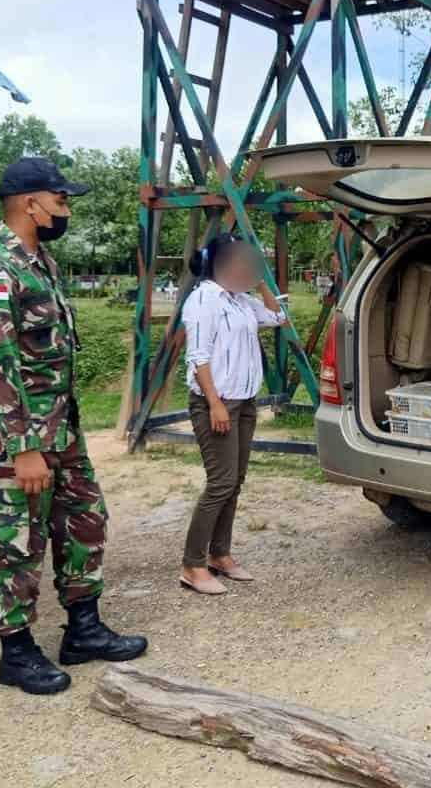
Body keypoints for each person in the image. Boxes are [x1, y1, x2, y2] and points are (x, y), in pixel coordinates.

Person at [0, 157, 147, 696]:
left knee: (85, 518)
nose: (65, 209)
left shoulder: (41, 262)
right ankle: (15, 653)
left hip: (58, 428)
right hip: (11, 437)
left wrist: (55, 436)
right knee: (15, 538)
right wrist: (22, 449)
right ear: (29, 203)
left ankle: (83, 630)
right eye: (60, 200)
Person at [179, 234, 286, 595]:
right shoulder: (203, 300)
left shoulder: (241, 300)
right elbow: (198, 356)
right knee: (220, 482)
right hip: (217, 403)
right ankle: (192, 565)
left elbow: (278, 317)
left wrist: (259, 282)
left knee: (234, 481)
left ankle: (220, 554)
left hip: (244, 402)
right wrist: (214, 404)